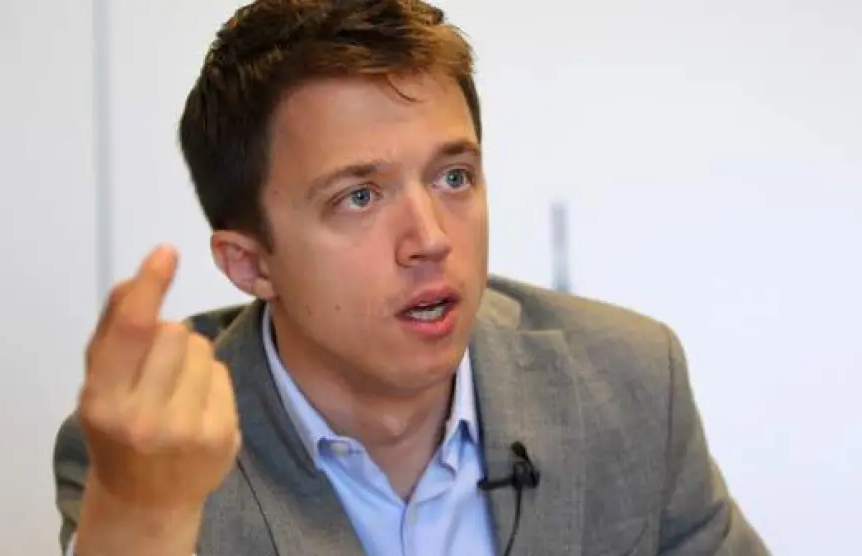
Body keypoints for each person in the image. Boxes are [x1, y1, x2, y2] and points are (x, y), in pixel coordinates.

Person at [52, 1, 770, 555]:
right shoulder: (151, 449)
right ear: (251, 263)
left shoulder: (630, 381)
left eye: (454, 177)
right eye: (359, 196)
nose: (430, 239)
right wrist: (140, 514)